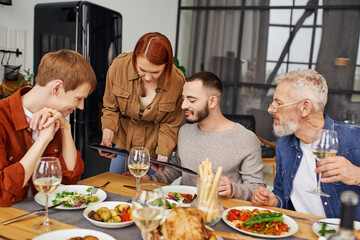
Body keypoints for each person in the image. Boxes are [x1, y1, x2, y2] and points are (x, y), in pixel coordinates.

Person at [251, 69, 360, 220]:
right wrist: (274, 200)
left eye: (278, 103)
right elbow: (281, 195)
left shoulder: (354, 138)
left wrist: (357, 175)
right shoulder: (284, 143)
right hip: (300, 231)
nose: (270, 109)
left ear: (305, 108)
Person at [143, 71, 265, 200]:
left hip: (219, 211)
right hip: (183, 207)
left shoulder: (246, 139)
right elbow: (177, 168)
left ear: (212, 101)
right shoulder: (185, 131)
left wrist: (233, 189)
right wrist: (151, 178)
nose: (183, 105)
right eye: (183, 99)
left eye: (191, 100)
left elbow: (257, 188)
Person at [0, 49, 97, 207]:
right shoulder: (2, 117)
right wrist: (43, 139)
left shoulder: (56, 118)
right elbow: (2, 195)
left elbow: (70, 179)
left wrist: (65, 128)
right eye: (78, 98)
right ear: (57, 87)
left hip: (44, 216)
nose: (81, 106)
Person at [100, 32, 185, 174]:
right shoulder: (118, 67)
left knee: (149, 193)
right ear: (134, 59)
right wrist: (107, 137)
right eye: (142, 70)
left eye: (155, 72)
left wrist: (163, 155)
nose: (147, 77)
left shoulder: (177, 81)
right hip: (123, 142)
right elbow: (110, 107)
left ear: (166, 66)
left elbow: (171, 124)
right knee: (114, 186)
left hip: (155, 148)